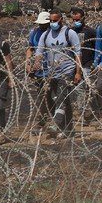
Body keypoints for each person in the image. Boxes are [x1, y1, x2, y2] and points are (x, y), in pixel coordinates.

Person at [34, 10, 83, 138]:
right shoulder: (45, 35)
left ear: (61, 20)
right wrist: (37, 63)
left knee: (62, 96)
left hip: (67, 70)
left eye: (55, 21)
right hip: (52, 72)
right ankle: (68, 129)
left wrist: (78, 72)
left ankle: (56, 124)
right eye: (51, 21)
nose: (52, 23)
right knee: (60, 99)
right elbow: (39, 51)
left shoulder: (69, 33)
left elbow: (78, 53)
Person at [25, 11, 52, 128]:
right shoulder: (34, 33)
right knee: (41, 94)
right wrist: (28, 63)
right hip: (38, 69)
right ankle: (43, 118)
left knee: (51, 94)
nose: (41, 26)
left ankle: (53, 117)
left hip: (52, 67)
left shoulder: (53, 33)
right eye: (40, 24)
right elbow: (30, 49)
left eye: (44, 24)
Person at [70, 7, 98, 119]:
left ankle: (95, 110)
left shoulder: (90, 31)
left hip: (88, 63)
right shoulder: (71, 32)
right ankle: (84, 112)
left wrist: (95, 63)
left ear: (83, 18)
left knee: (90, 88)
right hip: (75, 64)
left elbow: (97, 48)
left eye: (78, 20)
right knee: (79, 88)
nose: (76, 22)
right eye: (74, 20)